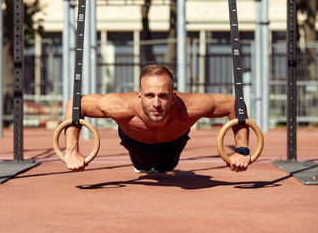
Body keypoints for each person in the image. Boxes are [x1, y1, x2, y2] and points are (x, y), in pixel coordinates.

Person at [64, 64, 251, 173]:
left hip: (173, 142)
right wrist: (71, 150)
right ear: (139, 95)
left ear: (173, 97)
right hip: (134, 140)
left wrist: (242, 150)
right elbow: (76, 104)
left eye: (163, 96)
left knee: (166, 167)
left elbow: (235, 105)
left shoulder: (191, 106)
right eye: (149, 95)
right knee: (142, 165)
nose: (156, 103)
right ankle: (140, 163)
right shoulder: (120, 105)